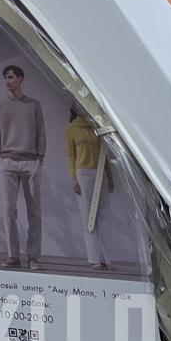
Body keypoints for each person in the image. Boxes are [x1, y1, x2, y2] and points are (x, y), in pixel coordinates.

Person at [0, 64, 46, 271]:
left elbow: (41, 131)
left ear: (21, 79)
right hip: (7, 161)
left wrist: (40, 156)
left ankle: (33, 257)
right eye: (5, 77)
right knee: (9, 210)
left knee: (34, 211)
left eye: (11, 77)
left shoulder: (34, 105)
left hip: (31, 161)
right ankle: (13, 256)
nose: (8, 81)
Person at [66, 109, 115, 271]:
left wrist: (110, 176)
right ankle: (95, 259)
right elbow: (70, 155)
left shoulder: (97, 126)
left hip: (100, 171)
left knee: (104, 216)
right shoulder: (71, 128)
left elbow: (104, 153)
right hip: (83, 173)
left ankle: (108, 259)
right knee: (88, 217)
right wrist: (73, 178)